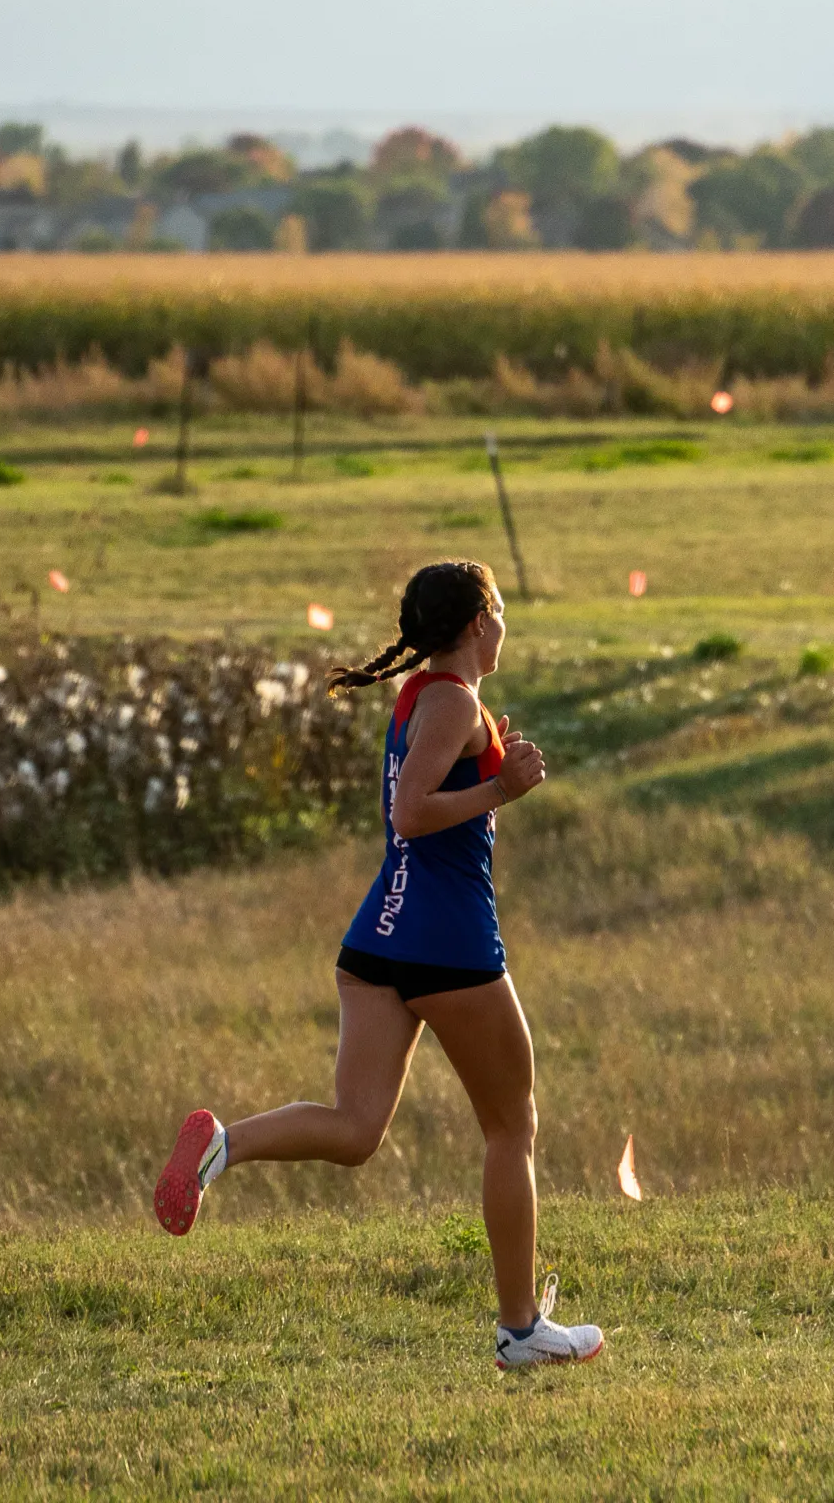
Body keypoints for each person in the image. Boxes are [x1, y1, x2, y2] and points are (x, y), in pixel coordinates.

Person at [152, 560, 602, 1372]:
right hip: (447, 945)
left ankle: (222, 1144)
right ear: (475, 623)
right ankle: (521, 1328)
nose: (503, 625)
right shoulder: (454, 699)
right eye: (497, 611)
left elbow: (429, 788)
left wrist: (495, 768)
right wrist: (501, 789)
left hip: (377, 943)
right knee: (512, 1128)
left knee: (356, 1130)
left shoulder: (425, 697)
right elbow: (412, 814)